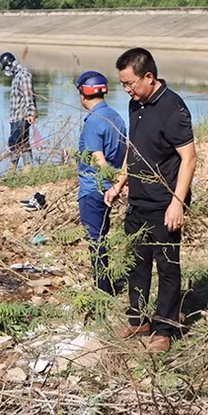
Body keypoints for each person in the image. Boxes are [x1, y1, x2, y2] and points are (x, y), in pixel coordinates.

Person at [104, 48, 198, 353]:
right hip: (138, 201)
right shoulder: (136, 104)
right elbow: (136, 150)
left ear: (149, 77)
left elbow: (189, 159)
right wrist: (120, 182)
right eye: (123, 85)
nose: (127, 90)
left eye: (130, 84)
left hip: (164, 202)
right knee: (137, 263)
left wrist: (177, 203)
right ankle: (138, 319)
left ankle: (164, 327)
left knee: (167, 266)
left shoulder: (173, 108)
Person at [75, 70, 127, 295]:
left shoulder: (93, 121)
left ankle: (103, 290)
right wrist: (121, 183)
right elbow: (126, 155)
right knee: (102, 237)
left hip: (93, 190)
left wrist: (111, 183)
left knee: (95, 241)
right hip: (110, 189)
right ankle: (106, 284)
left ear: (82, 94)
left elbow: (98, 159)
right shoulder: (116, 117)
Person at [0, 51, 37, 171]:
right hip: (16, 116)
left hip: (22, 115)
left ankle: (17, 169)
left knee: (14, 142)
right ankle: (25, 169)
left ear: (9, 65)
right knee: (23, 142)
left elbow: (28, 95)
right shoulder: (17, 76)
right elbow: (17, 98)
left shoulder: (24, 75)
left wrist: (31, 113)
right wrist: (12, 117)